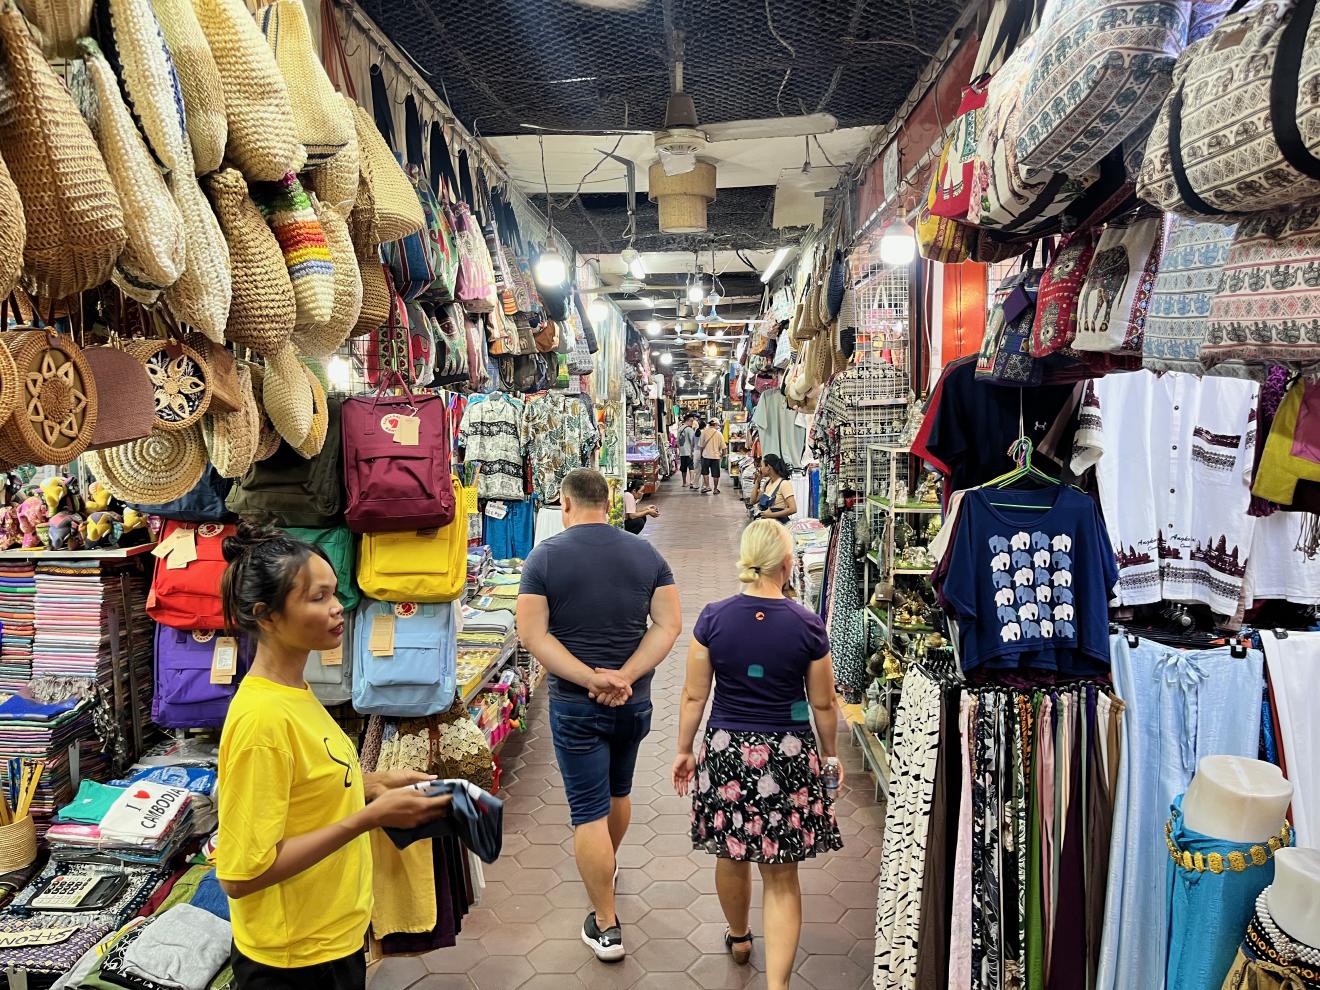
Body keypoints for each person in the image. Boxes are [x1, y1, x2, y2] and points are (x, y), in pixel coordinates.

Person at [215, 524, 451, 990]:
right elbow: (242, 875)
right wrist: (366, 818)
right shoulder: (262, 720)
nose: (337, 607)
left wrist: (370, 784)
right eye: (317, 597)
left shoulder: (294, 691)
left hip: (327, 939)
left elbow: (297, 795)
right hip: (293, 962)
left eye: (334, 592)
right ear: (267, 615)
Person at [516, 468, 683, 962]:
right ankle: (606, 867)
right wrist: (625, 675)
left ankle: (606, 925)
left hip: (576, 705)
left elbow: (533, 635)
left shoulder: (543, 558)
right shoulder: (646, 554)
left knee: (588, 811)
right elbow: (669, 625)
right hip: (633, 703)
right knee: (618, 791)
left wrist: (590, 679)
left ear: (565, 505)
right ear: (607, 503)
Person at [671, 520, 843, 989]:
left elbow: (693, 696)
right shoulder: (807, 624)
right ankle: (779, 985)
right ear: (787, 566)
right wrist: (829, 755)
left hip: (726, 750)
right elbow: (823, 702)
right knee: (782, 874)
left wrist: (685, 749)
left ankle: (740, 934)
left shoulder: (713, 619)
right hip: (787, 754)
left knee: (731, 854)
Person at [751, 453, 797, 523]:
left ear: (768, 467)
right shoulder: (767, 483)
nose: (760, 469)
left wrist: (772, 515)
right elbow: (753, 501)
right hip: (766, 524)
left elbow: (793, 509)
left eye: (762, 466)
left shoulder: (784, 484)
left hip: (777, 525)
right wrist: (757, 481)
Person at [699, 418, 727, 495]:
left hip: (705, 456)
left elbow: (701, 446)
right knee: (716, 474)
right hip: (716, 457)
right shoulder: (719, 434)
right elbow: (724, 447)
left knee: (705, 472)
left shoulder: (704, 432)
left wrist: (701, 454)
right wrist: (724, 456)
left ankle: (707, 486)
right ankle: (715, 489)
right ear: (715, 424)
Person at [677, 414, 699, 490]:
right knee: (691, 467)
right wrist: (693, 450)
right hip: (689, 451)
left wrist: (679, 450)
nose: (692, 422)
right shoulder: (689, 429)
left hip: (682, 452)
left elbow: (677, 441)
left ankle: (684, 482)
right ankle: (691, 482)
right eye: (691, 421)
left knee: (683, 467)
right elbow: (693, 441)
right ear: (688, 420)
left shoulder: (680, 429)